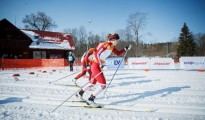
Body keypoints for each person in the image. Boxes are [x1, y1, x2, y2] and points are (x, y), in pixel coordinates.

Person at [76, 33, 131, 107]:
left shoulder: (111, 46)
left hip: (96, 65)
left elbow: (118, 53)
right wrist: (101, 65)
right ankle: (90, 100)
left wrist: (125, 49)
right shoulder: (106, 44)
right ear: (113, 39)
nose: (118, 42)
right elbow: (97, 53)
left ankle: (80, 94)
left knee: (92, 83)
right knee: (103, 85)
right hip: (96, 65)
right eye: (117, 40)